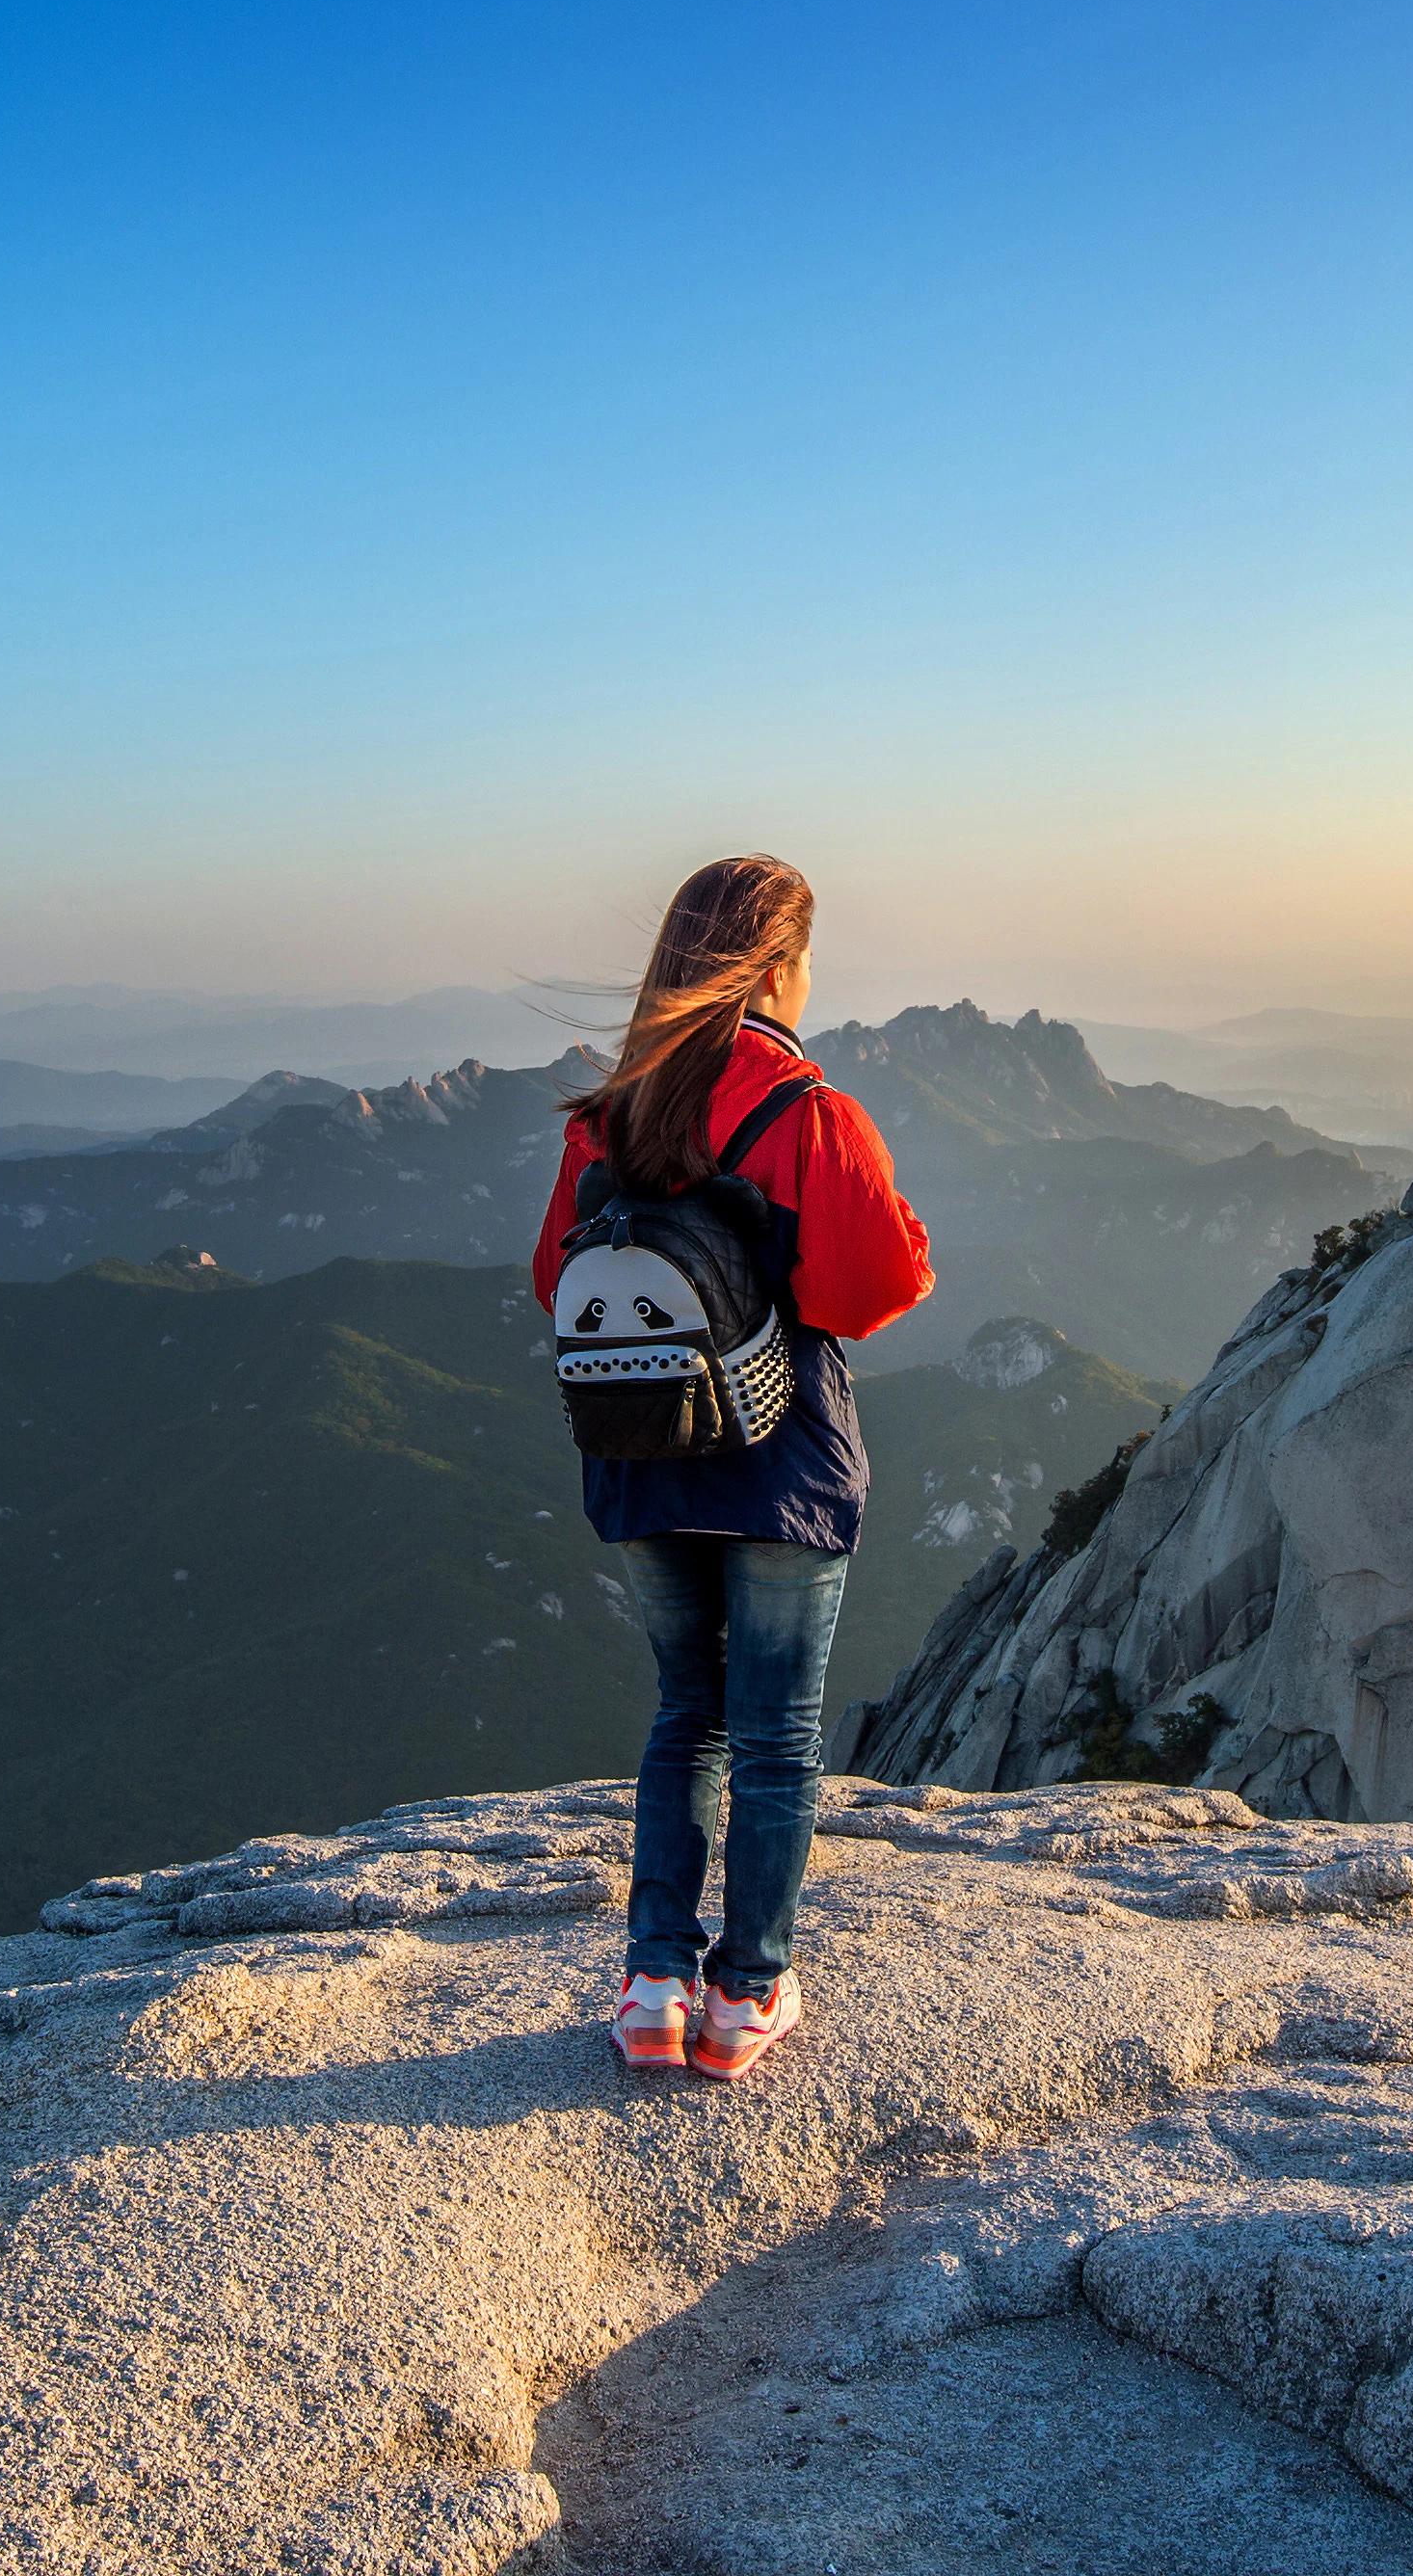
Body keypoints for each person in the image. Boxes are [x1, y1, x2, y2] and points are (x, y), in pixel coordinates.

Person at [529, 855, 932, 2081]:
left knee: (681, 1714)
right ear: (771, 968)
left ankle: (653, 1980)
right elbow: (869, 1287)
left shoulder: (611, 1116)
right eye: (803, 962)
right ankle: (745, 1994)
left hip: (644, 1461)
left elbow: (558, 1279)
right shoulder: (801, 1110)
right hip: (777, 1466)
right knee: (774, 1733)